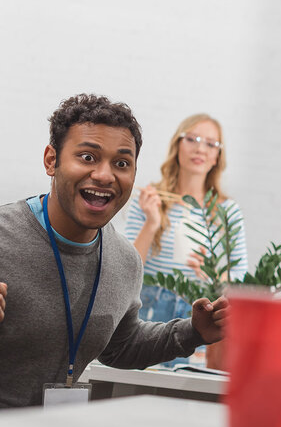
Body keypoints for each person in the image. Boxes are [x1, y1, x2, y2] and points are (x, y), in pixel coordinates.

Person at [0, 94, 228, 408]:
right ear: (51, 160)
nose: (105, 175)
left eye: (121, 163)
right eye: (87, 157)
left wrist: (193, 332)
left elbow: (122, 345)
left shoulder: (125, 260)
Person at [123, 114, 248, 368]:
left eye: (211, 144)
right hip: (149, 312)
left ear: (217, 157)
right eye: (192, 139)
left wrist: (213, 275)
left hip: (199, 316)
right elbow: (127, 268)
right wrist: (152, 223)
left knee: (187, 392)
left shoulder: (227, 211)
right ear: (178, 145)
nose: (200, 148)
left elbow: (239, 281)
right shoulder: (149, 199)